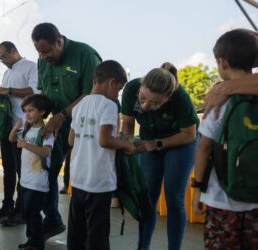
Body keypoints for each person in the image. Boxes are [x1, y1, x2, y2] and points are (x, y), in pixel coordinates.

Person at [31, 22, 102, 240]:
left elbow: (91, 93)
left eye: (47, 51)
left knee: (84, 180)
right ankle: (52, 220)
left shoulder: (85, 54)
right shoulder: (42, 61)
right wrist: (37, 118)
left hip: (86, 128)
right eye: (39, 52)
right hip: (57, 126)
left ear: (59, 41)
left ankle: (88, 234)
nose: (43, 56)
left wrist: (62, 116)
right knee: (45, 172)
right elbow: (43, 93)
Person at [121, 64, 199, 250]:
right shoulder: (131, 88)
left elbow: (189, 134)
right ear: (140, 87)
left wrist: (156, 144)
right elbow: (128, 124)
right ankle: (143, 247)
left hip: (181, 143)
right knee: (147, 198)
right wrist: (127, 143)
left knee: (174, 197)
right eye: (143, 98)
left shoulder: (180, 98)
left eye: (156, 103)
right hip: (150, 141)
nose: (146, 106)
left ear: (168, 97)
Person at [192, 29, 258, 250]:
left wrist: (197, 190)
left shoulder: (218, 101)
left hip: (221, 199)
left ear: (222, 63)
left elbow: (204, 148)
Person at [67, 60, 134, 250]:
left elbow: (71, 140)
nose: (117, 94)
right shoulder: (109, 106)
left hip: (79, 178)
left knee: (76, 231)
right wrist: (126, 145)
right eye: (118, 90)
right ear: (111, 82)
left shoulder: (79, 105)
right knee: (97, 232)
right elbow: (104, 140)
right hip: (99, 182)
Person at [0, 41, 38, 226]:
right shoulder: (7, 73)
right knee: (8, 170)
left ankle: (21, 210)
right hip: (6, 128)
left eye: (4, 56)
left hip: (24, 127)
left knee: (21, 171)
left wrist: (7, 90)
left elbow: (34, 92)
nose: (2, 60)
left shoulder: (31, 67)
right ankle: (7, 205)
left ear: (14, 51)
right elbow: (7, 96)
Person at [9, 94, 54, 250]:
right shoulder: (28, 129)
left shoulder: (46, 131)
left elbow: (46, 152)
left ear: (42, 112)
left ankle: (37, 243)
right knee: (27, 212)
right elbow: (12, 139)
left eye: (31, 110)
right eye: (25, 111)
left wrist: (26, 145)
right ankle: (31, 240)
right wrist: (15, 128)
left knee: (33, 213)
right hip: (26, 180)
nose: (27, 114)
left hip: (38, 181)